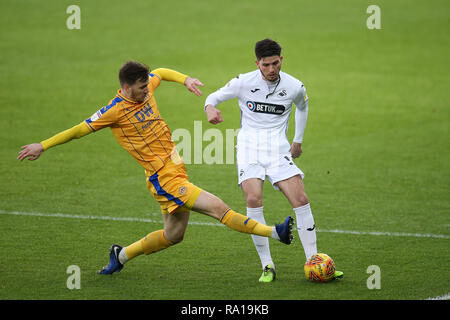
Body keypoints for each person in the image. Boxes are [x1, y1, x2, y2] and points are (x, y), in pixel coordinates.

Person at [17, 61, 294, 275]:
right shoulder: (113, 111)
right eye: (140, 88)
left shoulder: (146, 86)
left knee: (174, 236)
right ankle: (275, 232)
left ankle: (121, 255)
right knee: (219, 208)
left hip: (175, 168)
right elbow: (78, 130)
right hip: (163, 178)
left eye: (146, 86)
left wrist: (186, 80)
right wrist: (43, 145)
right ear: (126, 88)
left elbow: (160, 71)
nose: (146, 90)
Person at [204, 39, 343, 282]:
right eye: (265, 65)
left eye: (275, 63)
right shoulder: (243, 82)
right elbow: (213, 97)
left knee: (301, 199)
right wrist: (210, 109)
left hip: (278, 150)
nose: (271, 69)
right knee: (253, 198)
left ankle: (314, 261)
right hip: (248, 149)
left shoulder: (294, 86)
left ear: (282, 60)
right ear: (256, 63)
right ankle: (267, 266)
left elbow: (302, 107)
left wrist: (297, 140)